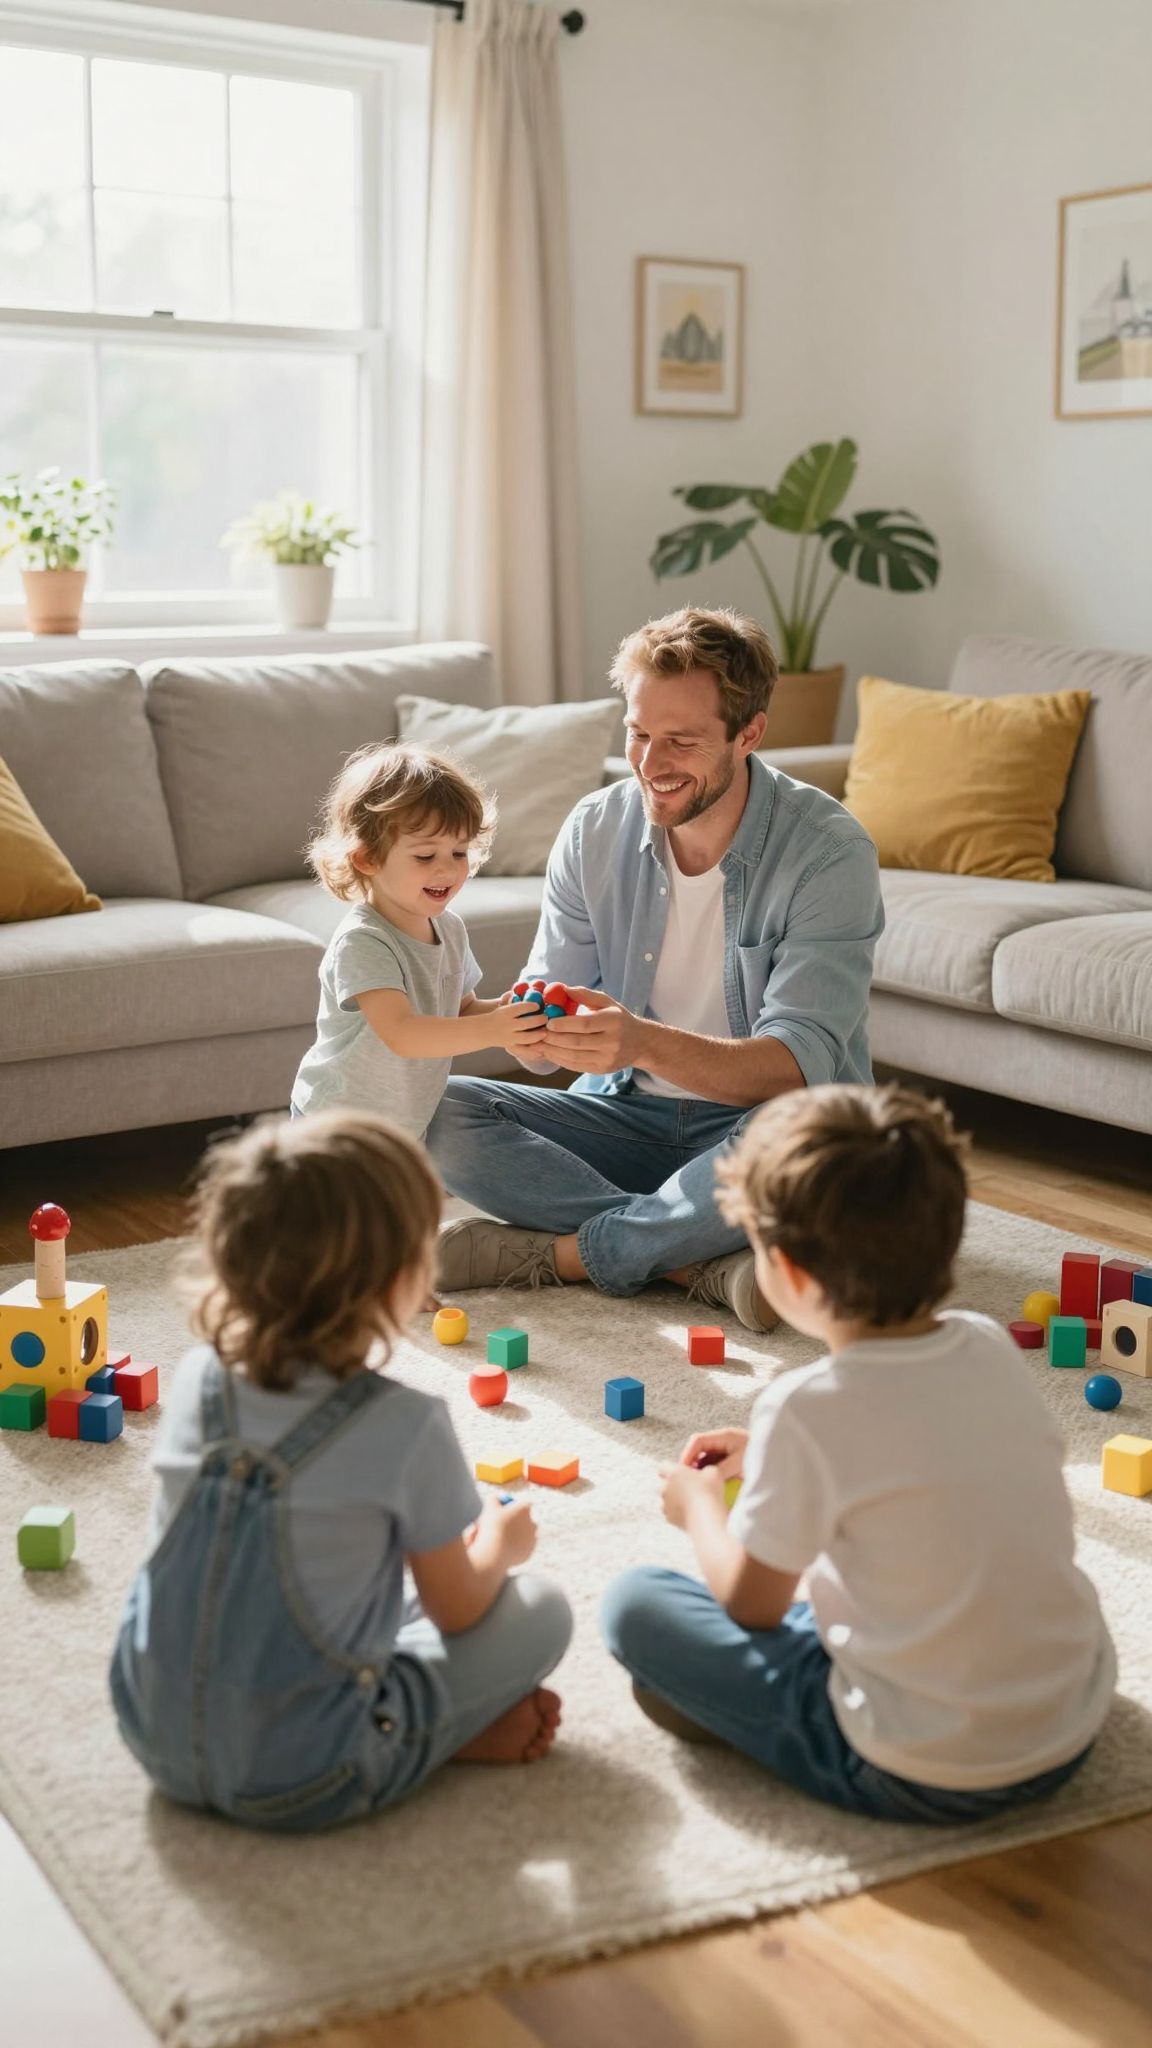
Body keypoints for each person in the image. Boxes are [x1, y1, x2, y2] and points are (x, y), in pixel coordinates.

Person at [599, 1083, 1116, 1823]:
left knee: (636, 1606)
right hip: (1069, 1723)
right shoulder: (988, 1344)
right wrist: (768, 1452)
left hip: (924, 1766)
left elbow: (751, 1603)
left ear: (795, 1277)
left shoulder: (806, 1408)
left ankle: (755, 1715)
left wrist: (700, 1510)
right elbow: (930, 1452)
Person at [109, 1111, 572, 1831]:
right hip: (306, 1772)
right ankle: (426, 1741)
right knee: (539, 1609)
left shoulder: (198, 1380)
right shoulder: (406, 1424)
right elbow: (460, 1608)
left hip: (153, 1738)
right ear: (400, 1280)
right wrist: (501, 1545)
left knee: (368, 1591)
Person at [430, 606, 884, 1333]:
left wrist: (638, 1041)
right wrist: (529, 1028)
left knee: (826, 1145)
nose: (650, 762)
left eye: (681, 741)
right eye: (638, 733)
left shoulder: (829, 852)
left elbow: (799, 1065)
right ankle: (694, 1260)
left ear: (749, 734)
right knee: (440, 1108)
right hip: (625, 1119)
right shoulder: (595, 828)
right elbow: (540, 1041)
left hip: (763, 1130)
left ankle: (570, 1254)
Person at [291, 742, 547, 1137]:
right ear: (367, 859)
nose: (447, 869)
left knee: (399, 1201)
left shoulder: (450, 928)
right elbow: (403, 1033)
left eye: (459, 853)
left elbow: (458, 1010)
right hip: (337, 1124)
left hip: (403, 1121)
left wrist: (511, 1012)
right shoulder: (363, 941)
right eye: (426, 857)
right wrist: (495, 1030)